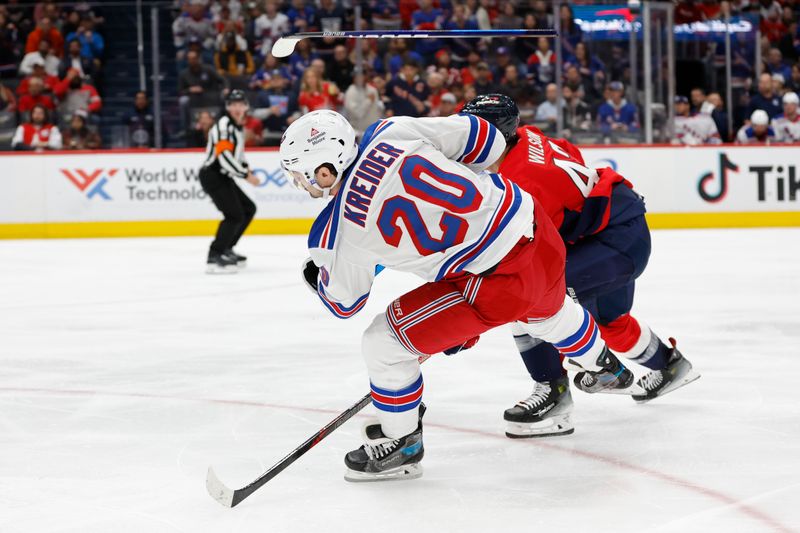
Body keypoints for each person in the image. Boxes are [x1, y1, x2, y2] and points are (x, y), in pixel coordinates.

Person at [279, 110, 634, 481]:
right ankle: (604, 364)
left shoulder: (334, 233)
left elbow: (344, 302)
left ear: (324, 169)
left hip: (495, 281)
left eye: (300, 173)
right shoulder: (390, 131)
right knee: (548, 310)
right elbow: (488, 141)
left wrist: (317, 273)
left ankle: (401, 442)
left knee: (384, 343)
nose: (299, 182)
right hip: (536, 227)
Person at [462, 94, 698, 437]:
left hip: (613, 242)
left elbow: (520, 253)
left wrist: (468, 324)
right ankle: (670, 366)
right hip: (613, 226)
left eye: (473, 132)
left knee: (530, 301)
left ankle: (554, 397)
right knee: (610, 321)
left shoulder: (519, 183)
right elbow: (569, 153)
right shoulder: (527, 136)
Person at [199, 91, 260, 273]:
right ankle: (214, 255)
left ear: (246, 107)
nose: (237, 108)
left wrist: (245, 168)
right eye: (233, 104)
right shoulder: (224, 125)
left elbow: (238, 154)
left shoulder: (237, 126)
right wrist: (245, 174)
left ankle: (226, 248)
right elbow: (224, 156)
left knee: (248, 209)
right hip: (213, 174)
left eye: (240, 104)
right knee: (234, 215)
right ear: (227, 107)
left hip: (223, 175)